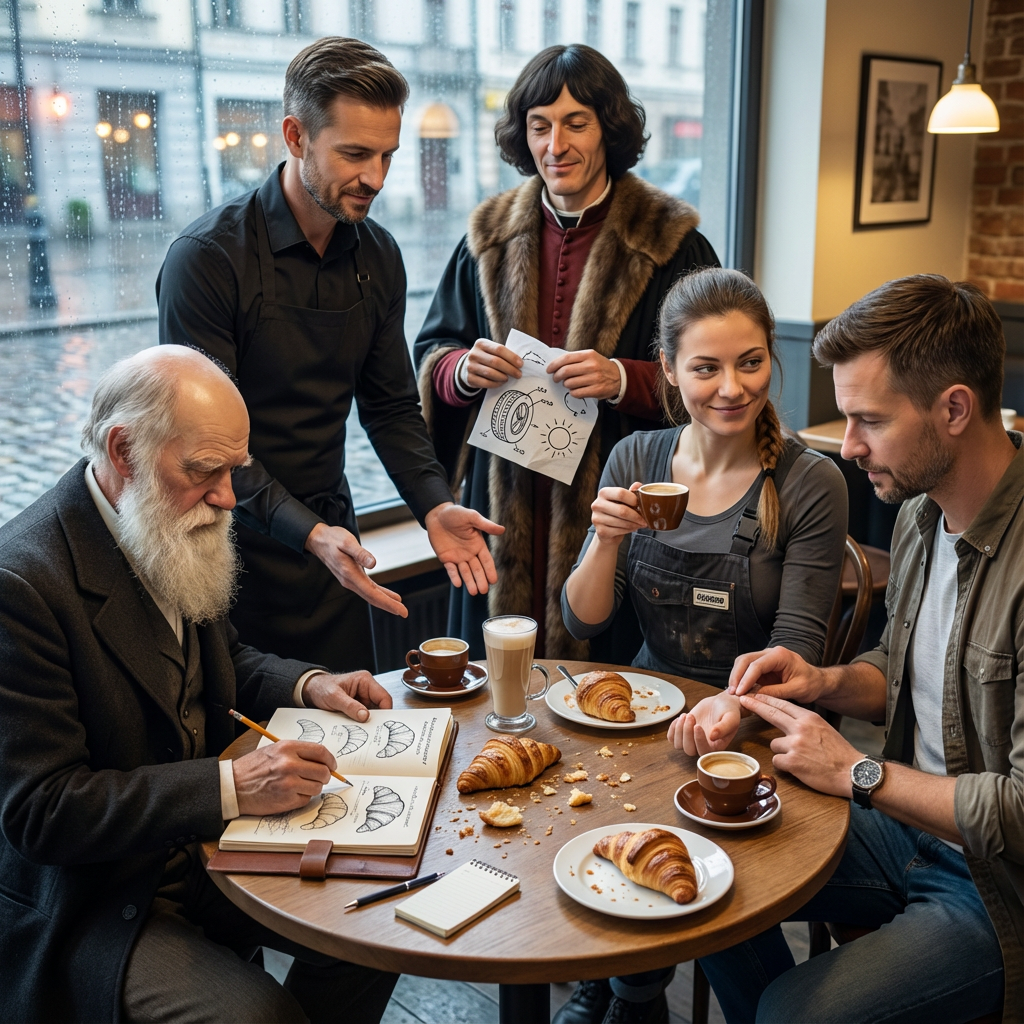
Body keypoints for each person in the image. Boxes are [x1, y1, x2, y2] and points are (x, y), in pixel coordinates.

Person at [0, 346, 401, 1023]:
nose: (226, 497)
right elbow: (41, 811)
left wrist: (308, 685)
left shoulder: (162, 514)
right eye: (204, 471)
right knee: (257, 1017)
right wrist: (231, 787)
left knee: (382, 929)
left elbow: (222, 660)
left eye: (234, 471)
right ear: (123, 449)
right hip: (97, 898)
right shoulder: (23, 583)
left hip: (202, 849)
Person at [695, 276, 1021, 1023]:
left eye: (868, 420)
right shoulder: (918, 516)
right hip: (908, 829)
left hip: (998, 887)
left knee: (791, 1013)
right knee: (703, 850)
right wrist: (821, 681)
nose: (848, 447)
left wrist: (858, 772)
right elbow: (906, 674)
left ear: (954, 409)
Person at [554, 268, 848, 1024]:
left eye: (750, 362)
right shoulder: (637, 460)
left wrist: (729, 708)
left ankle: (669, 995)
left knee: (705, 832)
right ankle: (629, 985)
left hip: (766, 725)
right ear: (672, 372)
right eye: (706, 367)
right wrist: (604, 543)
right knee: (574, 802)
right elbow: (585, 622)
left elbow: (797, 651)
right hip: (649, 710)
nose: (731, 387)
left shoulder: (811, 482)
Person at [157, 37, 501, 672]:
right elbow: (200, 451)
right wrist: (307, 533)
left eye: (387, 155)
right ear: (295, 135)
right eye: (354, 153)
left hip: (333, 544)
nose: (374, 176)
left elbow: (392, 405)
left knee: (347, 739)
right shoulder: (207, 259)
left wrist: (432, 502)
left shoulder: (378, 255)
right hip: (222, 547)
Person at [413, 44, 719, 661]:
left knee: (606, 696)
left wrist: (623, 378)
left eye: (576, 123)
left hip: (620, 504)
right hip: (504, 507)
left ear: (609, 128)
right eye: (539, 126)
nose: (557, 144)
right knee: (497, 696)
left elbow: (714, 376)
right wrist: (462, 370)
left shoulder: (672, 243)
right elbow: (434, 348)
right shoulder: (489, 236)